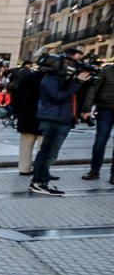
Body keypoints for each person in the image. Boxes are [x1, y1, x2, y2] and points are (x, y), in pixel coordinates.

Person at [30, 61, 91, 195]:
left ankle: (41, 181)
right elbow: (58, 97)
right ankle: (38, 182)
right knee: (47, 152)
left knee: (50, 153)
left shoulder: (61, 79)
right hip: (54, 120)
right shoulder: (50, 79)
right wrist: (77, 83)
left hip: (61, 119)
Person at [81, 61, 114, 183]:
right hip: (105, 109)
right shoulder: (107, 70)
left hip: (105, 109)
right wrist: (86, 108)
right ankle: (94, 171)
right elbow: (93, 89)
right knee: (100, 142)